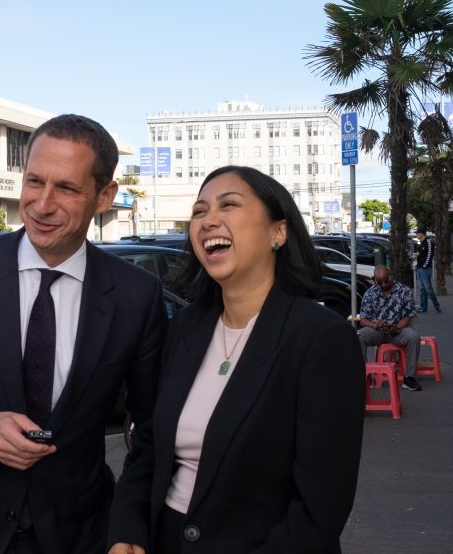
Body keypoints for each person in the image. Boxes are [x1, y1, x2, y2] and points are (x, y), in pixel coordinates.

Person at [0, 114, 168, 554]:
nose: (42, 204)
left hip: (81, 533)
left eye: (67, 188)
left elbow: (152, 427)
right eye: (35, 182)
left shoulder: (136, 295)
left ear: (104, 196)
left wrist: (131, 523)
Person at [108, 166, 365, 553]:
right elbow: (148, 444)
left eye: (228, 205)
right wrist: (126, 528)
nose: (208, 220)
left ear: (278, 232)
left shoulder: (321, 338)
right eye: (199, 211)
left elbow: (320, 506)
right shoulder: (187, 326)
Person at [356, 265, 423, 392]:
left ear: (391, 276)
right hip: (376, 330)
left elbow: (407, 317)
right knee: (358, 336)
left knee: (413, 336)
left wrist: (396, 328)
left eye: (386, 281)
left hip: (398, 330)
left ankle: (409, 378)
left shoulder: (404, 291)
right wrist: (374, 325)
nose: (383, 285)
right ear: (374, 280)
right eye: (379, 282)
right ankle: (366, 376)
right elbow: (363, 320)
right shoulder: (369, 293)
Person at [414, 226, 441, 313]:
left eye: (417, 233)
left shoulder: (428, 242)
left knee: (428, 288)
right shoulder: (421, 243)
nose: (416, 235)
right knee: (422, 289)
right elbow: (420, 255)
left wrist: (424, 266)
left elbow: (430, 255)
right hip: (420, 268)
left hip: (425, 269)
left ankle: (436, 305)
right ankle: (423, 307)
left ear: (422, 234)